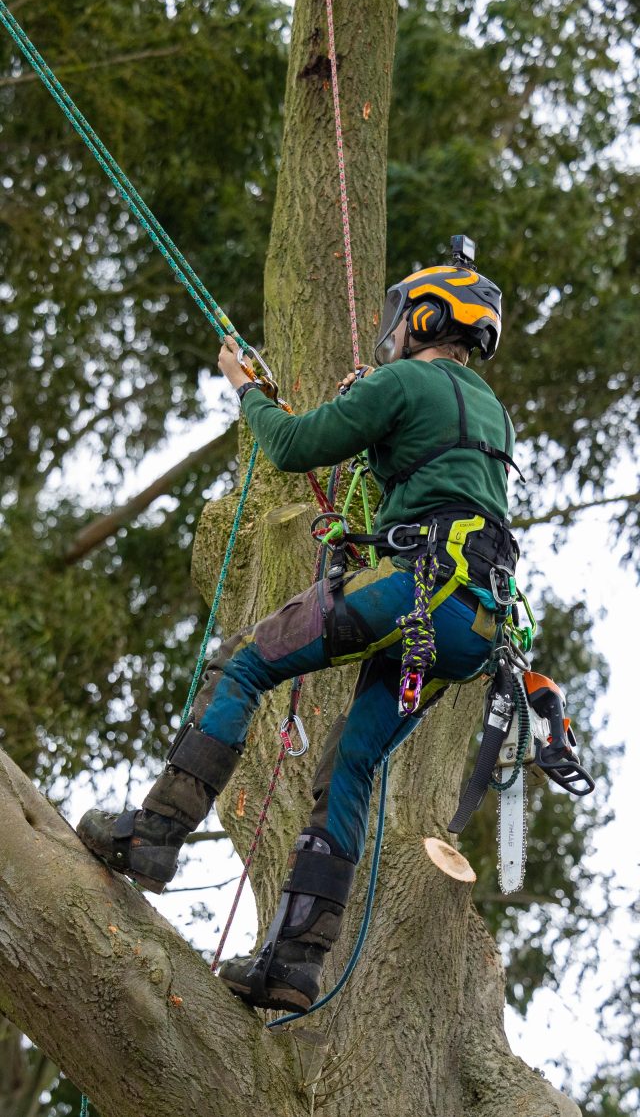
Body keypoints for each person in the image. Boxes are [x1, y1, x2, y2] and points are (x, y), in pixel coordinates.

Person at [77, 242, 521, 1013]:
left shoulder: (406, 379)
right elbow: (427, 486)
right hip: (473, 624)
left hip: (414, 588)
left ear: (422, 316)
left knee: (244, 663)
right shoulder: (490, 410)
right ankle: (293, 962)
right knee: (349, 765)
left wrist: (250, 393)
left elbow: (289, 446)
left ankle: (155, 832)